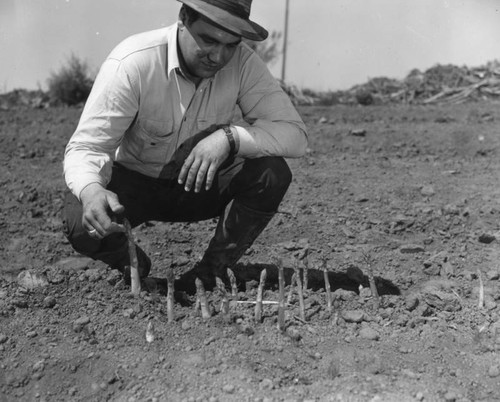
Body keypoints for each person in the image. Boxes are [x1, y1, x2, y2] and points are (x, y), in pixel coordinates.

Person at [62, 0, 308, 294]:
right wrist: (92, 191)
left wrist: (229, 138)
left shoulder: (243, 64)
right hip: (133, 190)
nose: (218, 56)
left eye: (231, 44)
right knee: (80, 217)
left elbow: (295, 135)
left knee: (272, 173)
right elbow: (87, 147)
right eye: (208, 40)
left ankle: (210, 273)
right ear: (183, 18)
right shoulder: (134, 62)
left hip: (197, 185)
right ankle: (131, 262)